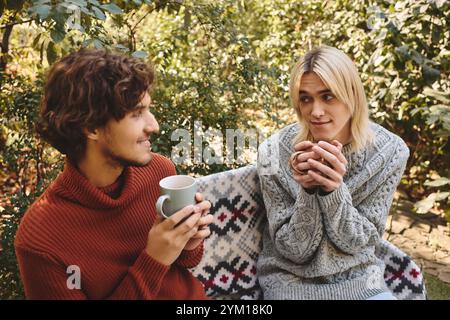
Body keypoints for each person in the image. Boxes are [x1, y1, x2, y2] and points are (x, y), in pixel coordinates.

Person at [14, 49, 213, 299]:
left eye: (148, 110)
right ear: (91, 127)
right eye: (136, 114)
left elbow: (184, 263)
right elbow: (159, 263)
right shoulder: (40, 241)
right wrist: (154, 259)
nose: (154, 126)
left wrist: (189, 241)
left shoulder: (159, 172)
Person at [256, 46, 409, 300]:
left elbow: (359, 243)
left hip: (359, 279)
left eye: (328, 97)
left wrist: (333, 191)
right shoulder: (273, 152)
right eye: (305, 98)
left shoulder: (390, 152)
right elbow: (293, 250)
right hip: (289, 281)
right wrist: (308, 192)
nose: (315, 112)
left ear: (352, 96)